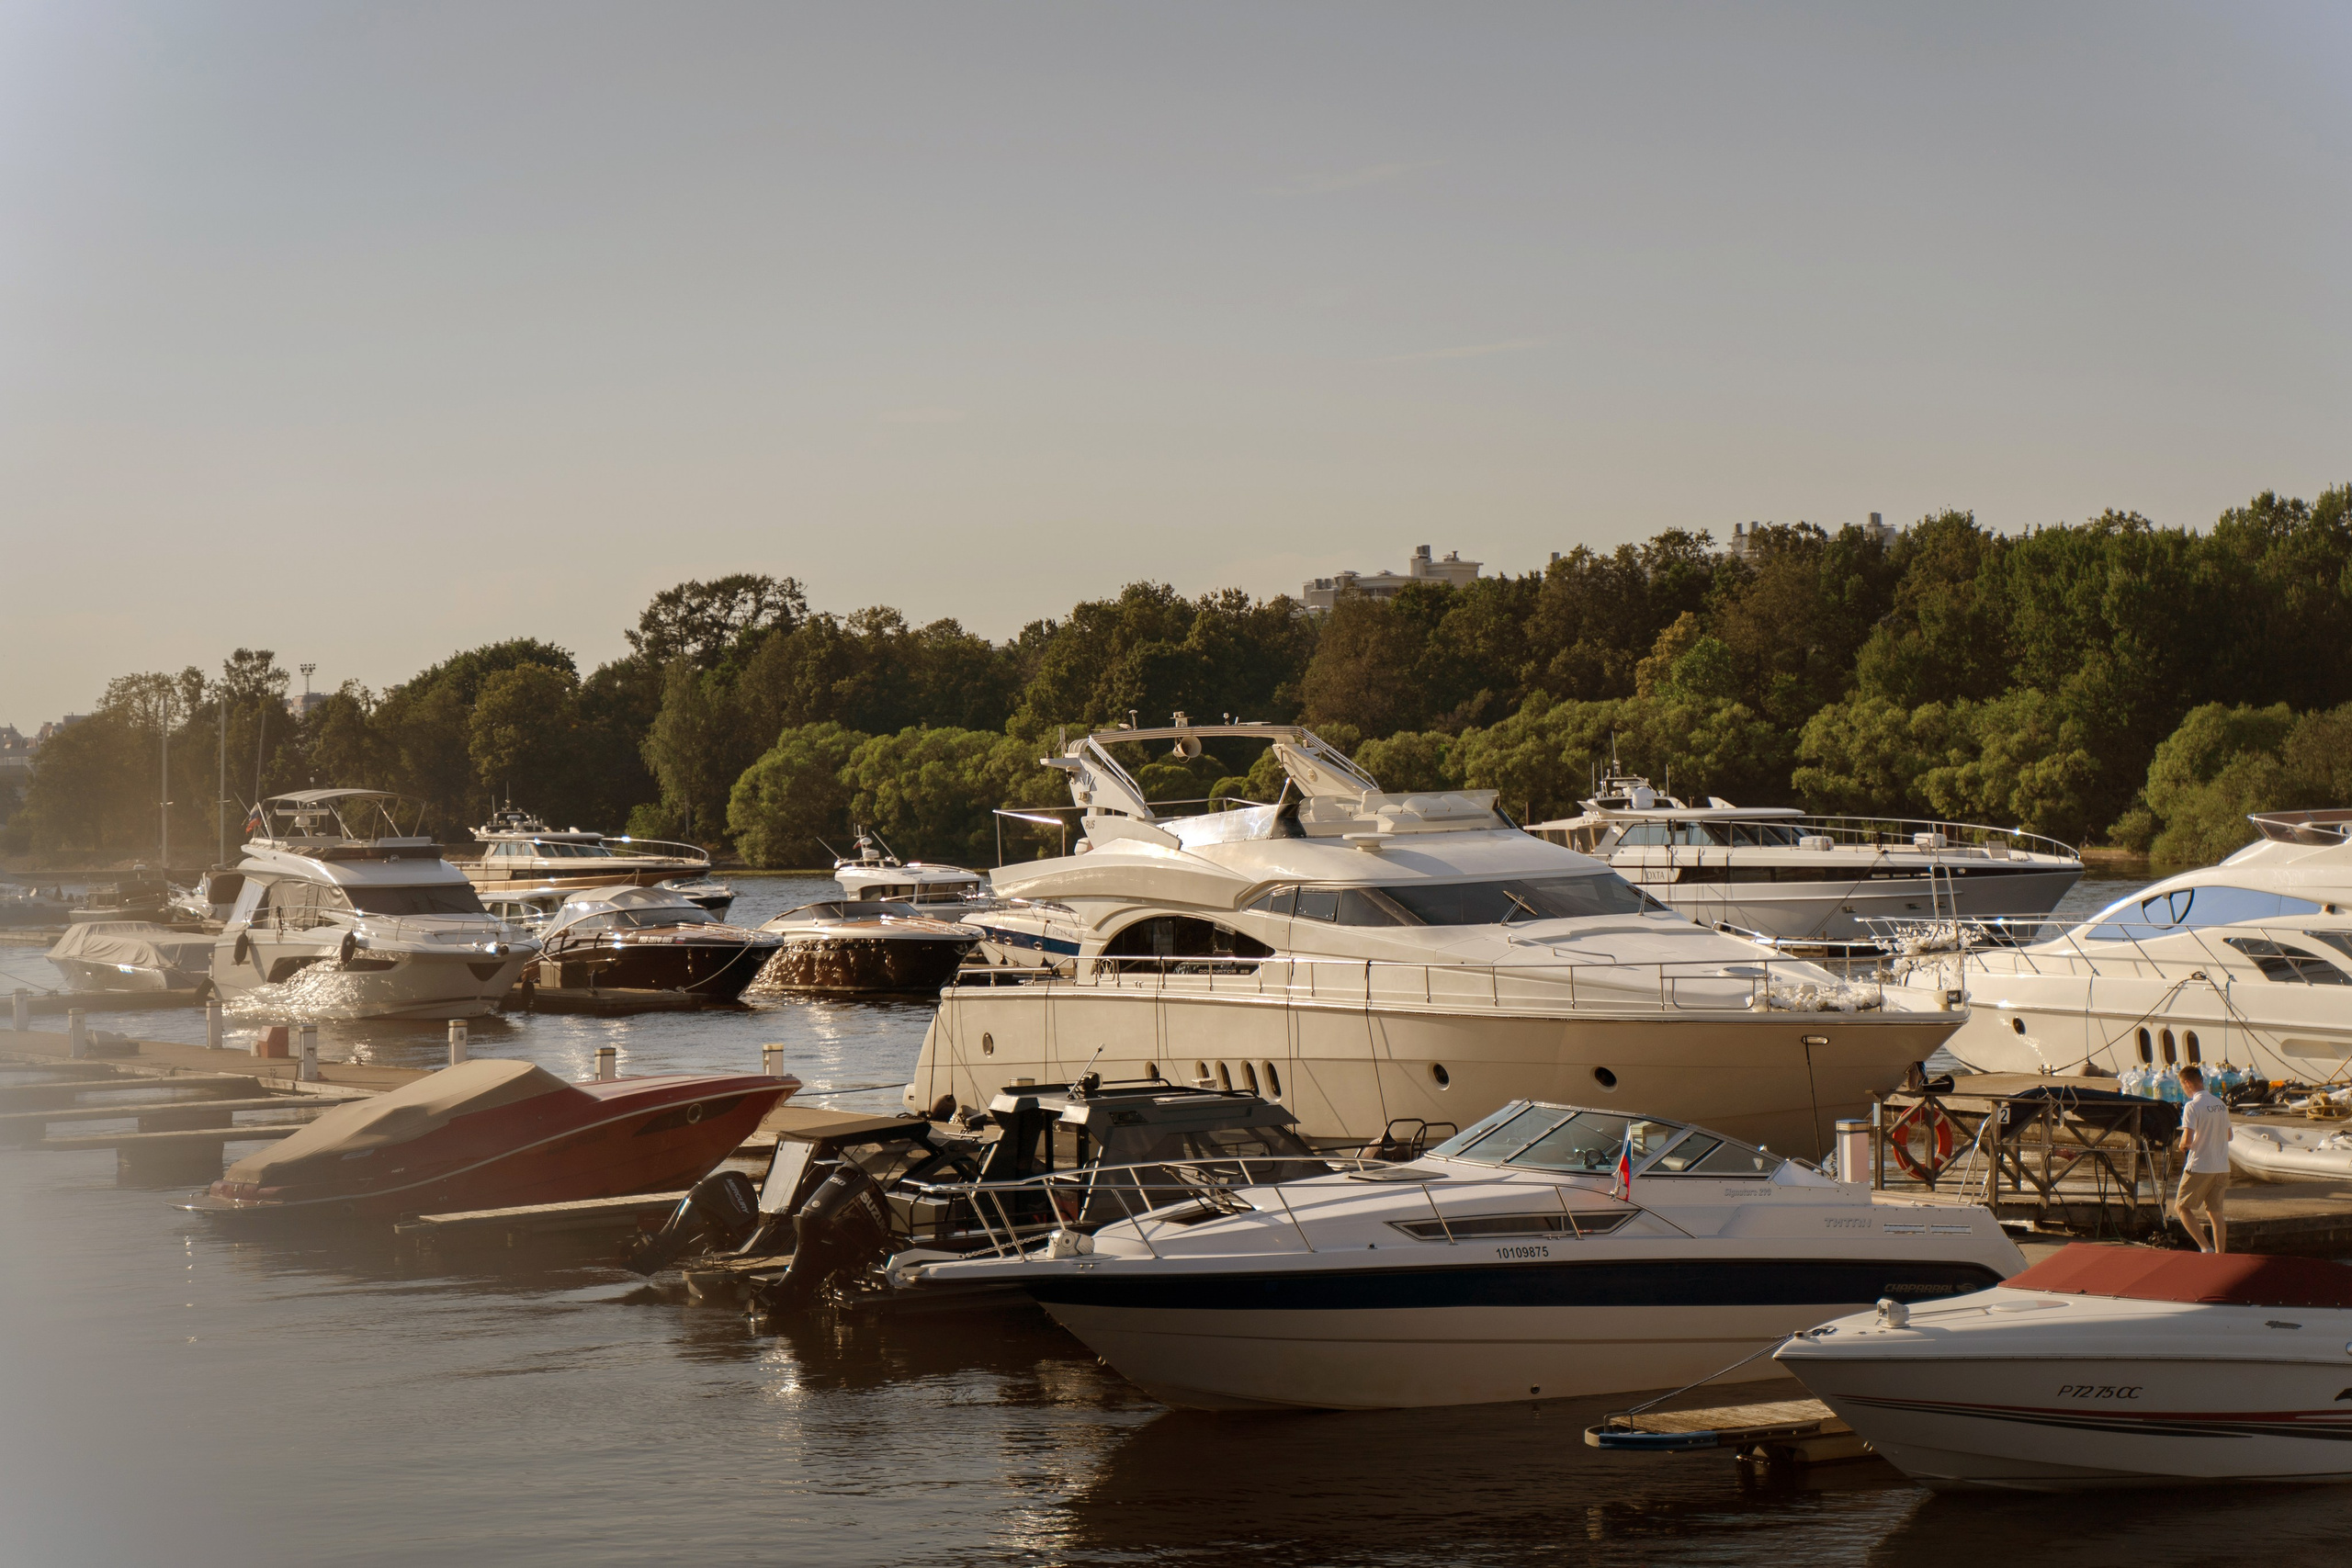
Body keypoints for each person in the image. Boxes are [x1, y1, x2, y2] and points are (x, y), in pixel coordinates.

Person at [2174, 1065, 2233, 1253]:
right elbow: (2229, 1136)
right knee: (2215, 1213)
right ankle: (2220, 1254)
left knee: (2181, 1207)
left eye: (2182, 1086)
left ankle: (2205, 1248)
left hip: (2201, 1165)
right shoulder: (2220, 1104)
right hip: (2222, 1166)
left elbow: (2187, 1140)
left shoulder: (2192, 1106)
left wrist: (2181, 1146)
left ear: (2187, 1083)